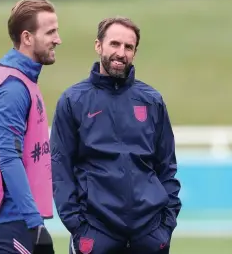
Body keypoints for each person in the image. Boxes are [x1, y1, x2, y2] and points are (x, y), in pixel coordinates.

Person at [50, 16, 182, 254]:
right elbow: (60, 168)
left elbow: (167, 167)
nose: (121, 53)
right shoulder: (73, 101)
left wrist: (165, 225)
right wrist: (78, 226)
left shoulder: (152, 100)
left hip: (149, 235)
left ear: (134, 52)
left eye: (128, 47)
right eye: (114, 44)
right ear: (98, 45)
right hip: (95, 233)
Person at [0, 0, 61, 254]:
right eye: (50, 32)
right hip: (13, 217)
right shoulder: (13, 87)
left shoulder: (15, 76)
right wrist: (35, 224)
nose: (58, 39)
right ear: (27, 38)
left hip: (16, 216)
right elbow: (8, 158)